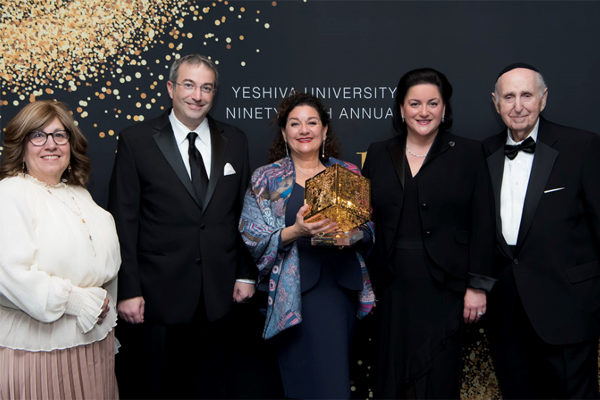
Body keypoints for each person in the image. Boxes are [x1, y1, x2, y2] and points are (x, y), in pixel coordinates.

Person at [108, 54, 255, 398]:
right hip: (157, 294)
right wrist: (127, 289)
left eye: (206, 88)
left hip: (220, 295)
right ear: (171, 88)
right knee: (160, 387)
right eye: (189, 85)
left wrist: (246, 273)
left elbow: (245, 212)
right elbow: (124, 219)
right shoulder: (137, 140)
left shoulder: (235, 139)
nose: (197, 95)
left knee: (214, 386)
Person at [362, 68, 495, 398]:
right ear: (402, 109)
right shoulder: (379, 152)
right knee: (392, 377)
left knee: (437, 377)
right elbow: (363, 219)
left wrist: (478, 285)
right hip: (391, 287)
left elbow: (484, 222)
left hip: (445, 286)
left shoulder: (469, 152)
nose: (424, 112)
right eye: (415, 103)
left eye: (433, 103)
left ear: (445, 108)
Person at [238, 92, 375, 399]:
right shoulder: (268, 179)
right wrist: (295, 231)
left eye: (312, 122)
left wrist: (350, 236)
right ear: (284, 132)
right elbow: (253, 236)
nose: (304, 130)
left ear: (325, 130)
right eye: (295, 123)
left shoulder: (346, 173)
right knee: (302, 384)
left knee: (335, 383)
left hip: (339, 291)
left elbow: (368, 230)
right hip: (293, 295)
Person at [483, 63, 600, 399]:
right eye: (509, 97)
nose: (518, 105)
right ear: (496, 103)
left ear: (543, 99)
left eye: (526, 95)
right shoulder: (484, 153)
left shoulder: (582, 147)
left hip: (569, 309)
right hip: (507, 315)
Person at [0, 100, 121, 398]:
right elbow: (10, 274)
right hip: (38, 353)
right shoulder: (10, 193)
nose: (50, 145)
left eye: (59, 135)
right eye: (38, 135)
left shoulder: (80, 194)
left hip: (92, 345)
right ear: (22, 146)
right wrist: (76, 302)